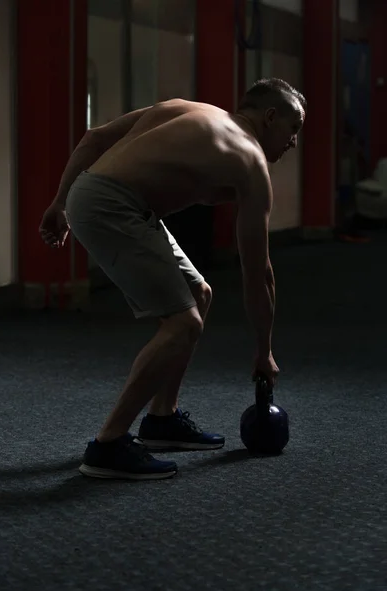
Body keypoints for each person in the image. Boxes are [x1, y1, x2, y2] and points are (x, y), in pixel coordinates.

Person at [39, 78, 306, 481]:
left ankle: (161, 420)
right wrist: (263, 351)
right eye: (294, 128)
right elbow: (258, 271)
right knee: (183, 325)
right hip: (113, 204)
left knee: (199, 294)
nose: (294, 142)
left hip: (114, 199)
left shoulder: (188, 108)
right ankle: (107, 445)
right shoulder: (250, 160)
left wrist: (62, 201)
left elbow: (95, 137)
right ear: (270, 117)